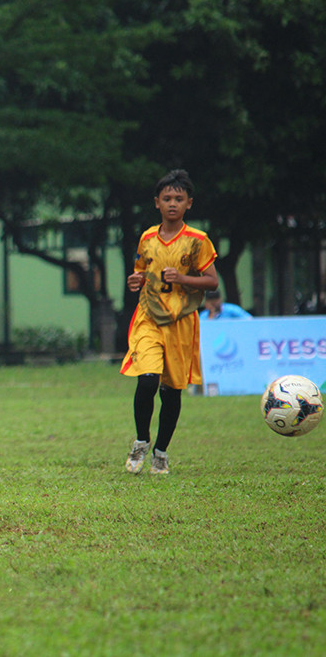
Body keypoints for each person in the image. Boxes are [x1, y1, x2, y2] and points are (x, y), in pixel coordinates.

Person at [121, 169, 218, 475]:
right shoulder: (147, 238)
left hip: (181, 321)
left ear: (189, 203)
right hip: (149, 316)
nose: (172, 203)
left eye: (178, 198)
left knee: (171, 390)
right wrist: (136, 280)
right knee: (148, 379)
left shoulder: (198, 241)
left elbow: (212, 281)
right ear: (157, 203)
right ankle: (141, 441)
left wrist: (183, 278)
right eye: (167, 198)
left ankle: (160, 452)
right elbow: (141, 271)